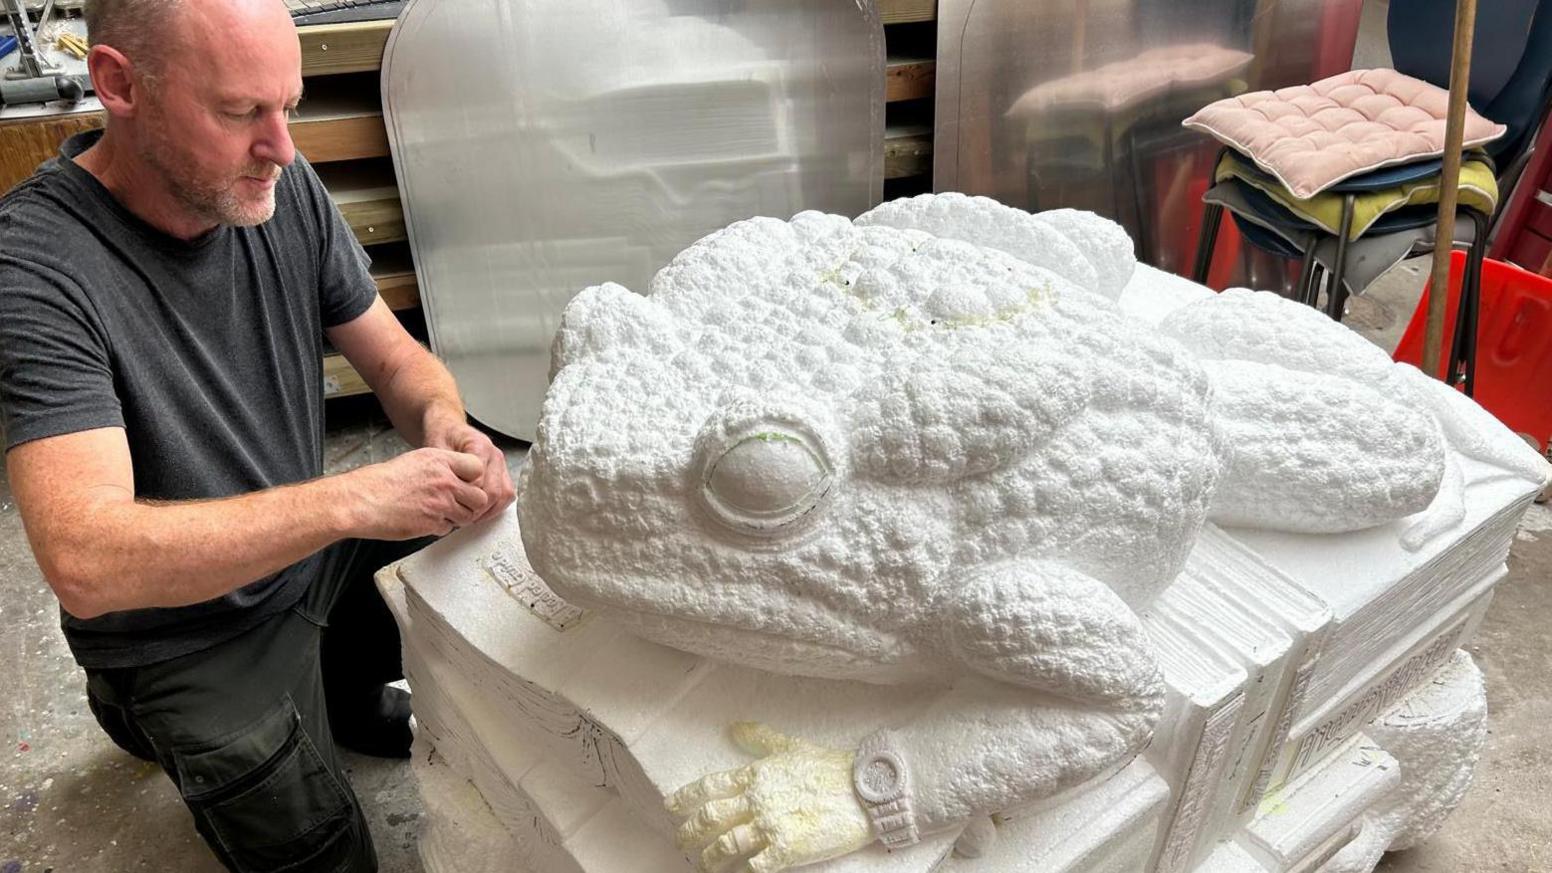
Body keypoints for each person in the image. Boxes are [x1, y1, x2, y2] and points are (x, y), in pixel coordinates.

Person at [0, 0, 515, 869]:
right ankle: (143, 711)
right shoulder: (38, 266)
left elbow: (397, 361)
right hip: (181, 629)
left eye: (292, 105)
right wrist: (356, 495)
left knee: (479, 530)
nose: (281, 145)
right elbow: (87, 560)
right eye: (241, 112)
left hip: (298, 557)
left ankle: (337, 690)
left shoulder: (279, 183)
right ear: (119, 85)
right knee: (332, 855)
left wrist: (445, 428)